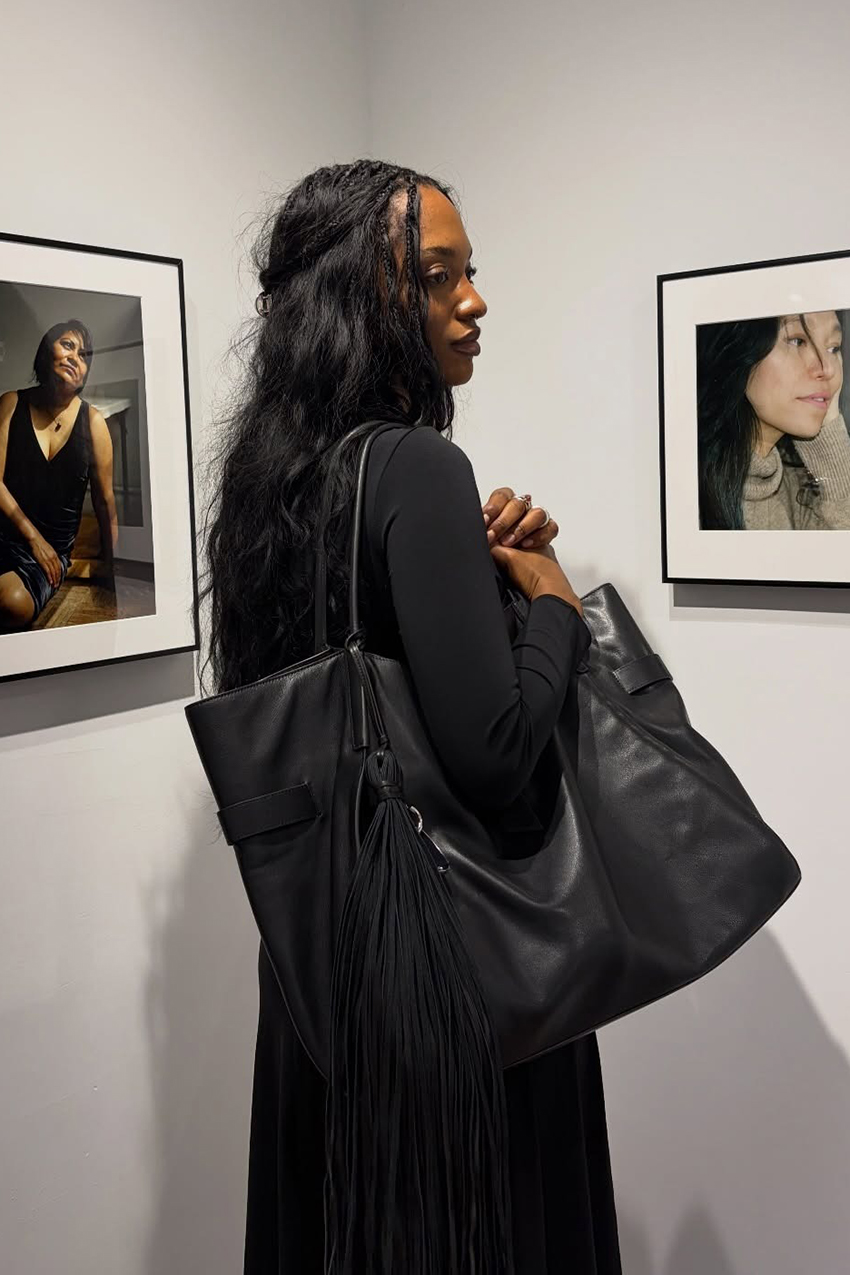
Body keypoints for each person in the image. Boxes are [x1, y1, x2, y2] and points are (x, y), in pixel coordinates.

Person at [199, 159, 622, 1274]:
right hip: (454, 979)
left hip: (323, 976)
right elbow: (493, 760)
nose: (472, 300)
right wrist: (549, 601)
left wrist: (482, 577)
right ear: (359, 299)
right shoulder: (420, 467)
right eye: (438, 277)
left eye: (469, 273)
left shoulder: (265, 484)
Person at [0, 321, 119, 630]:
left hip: (48, 557)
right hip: (6, 533)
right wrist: (32, 537)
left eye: (84, 356)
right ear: (45, 351)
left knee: (11, 602)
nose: (74, 358)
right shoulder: (11, 403)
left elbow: (105, 503)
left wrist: (112, 568)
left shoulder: (94, 424)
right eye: (67, 345)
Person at [697, 309, 850, 529]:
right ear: (740, 347)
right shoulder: (684, 485)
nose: (828, 369)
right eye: (798, 341)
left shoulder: (796, 487)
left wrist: (829, 429)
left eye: (833, 348)